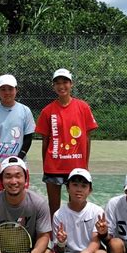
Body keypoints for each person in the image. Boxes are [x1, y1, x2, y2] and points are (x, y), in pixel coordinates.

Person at [35, 68, 98, 219]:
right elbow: (45, 141)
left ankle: (74, 238)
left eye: (65, 82)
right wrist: (46, 165)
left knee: (76, 206)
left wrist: (85, 165)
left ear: (71, 84)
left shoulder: (83, 107)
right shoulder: (47, 111)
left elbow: (87, 138)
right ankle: (55, 239)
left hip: (76, 166)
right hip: (54, 167)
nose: (61, 86)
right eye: (57, 83)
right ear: (53, 87)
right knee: (54, 207)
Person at [0, 74, 35, 194]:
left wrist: (17, 161)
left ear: (16, 90)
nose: (7, 92)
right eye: (3, 89)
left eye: (10, 89)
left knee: (19, 205)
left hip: (19, 165)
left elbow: (28, 138)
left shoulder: (25, 111)